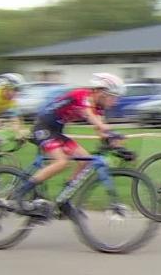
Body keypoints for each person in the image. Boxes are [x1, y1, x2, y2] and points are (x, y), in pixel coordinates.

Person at [19, 73, 127, 216]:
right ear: (101, 92)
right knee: (61, 162)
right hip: (42, 127)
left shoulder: (98, 108)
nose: (116, 101)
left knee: (86, 161)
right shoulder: (83, 95)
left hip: (56, 131)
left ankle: (64, 200)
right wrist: (108, 130)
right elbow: (90, 116)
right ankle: (19, 195)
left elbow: (101, 132)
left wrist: (118, 147)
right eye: (113, 96)